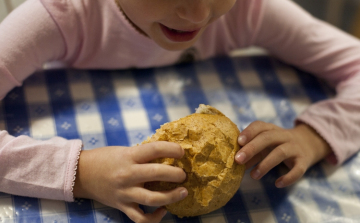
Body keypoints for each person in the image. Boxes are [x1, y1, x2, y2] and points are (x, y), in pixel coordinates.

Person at [0, 0, 359, 222]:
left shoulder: (251, 9)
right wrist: (82, 173)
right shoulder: (61, 14)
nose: (198, 13)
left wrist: (313, 136)